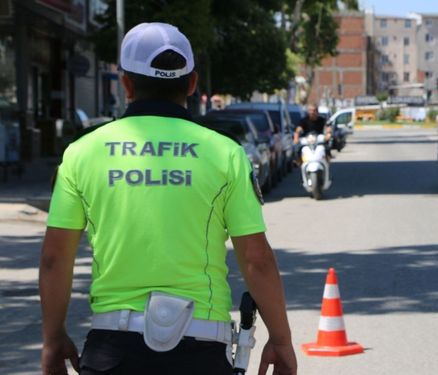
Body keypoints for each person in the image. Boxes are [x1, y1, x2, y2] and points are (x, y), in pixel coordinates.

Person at [39, 22, 296, 375]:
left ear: (125, 82)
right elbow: (256, 259)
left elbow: (55, 258)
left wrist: (53, 339)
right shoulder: (225, 154)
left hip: (112, 349)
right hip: (202, 349)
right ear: (191, 82)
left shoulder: (81, 154)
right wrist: (280, 339)